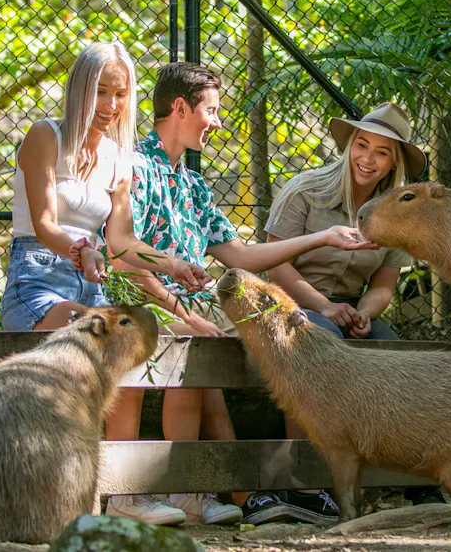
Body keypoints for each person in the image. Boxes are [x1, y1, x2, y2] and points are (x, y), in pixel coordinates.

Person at [103, 62, 378, 526]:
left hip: (200, 299)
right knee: (196, 344)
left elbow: (240, 256)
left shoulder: (190, 181)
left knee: (298, 331)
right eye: (211, 110)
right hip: (146, 298)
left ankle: (297, 482)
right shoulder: (133, 166)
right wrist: (186, 313)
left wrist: (322, 237)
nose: (217, 122)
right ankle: (188, 488)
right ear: (179, 107)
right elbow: (123, 261)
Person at [0, 42, 211, 526]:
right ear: (80, 90)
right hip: (37, 279)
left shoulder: (120, 158)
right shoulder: (45, 137)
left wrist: (172, 264)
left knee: (131, 340)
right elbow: (46, 223)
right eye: (100, 92)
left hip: (92, 287)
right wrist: (81, 248)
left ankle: (122, 499)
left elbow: (120, 243)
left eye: (120, 94)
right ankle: (58, 499)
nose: (111, 106)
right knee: (103, 339)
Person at [264, 102, 447, 507]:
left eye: (381, 152)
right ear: (349, 146)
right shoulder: (306, 190)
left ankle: (420, 482)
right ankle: (304, 485)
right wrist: (325, 307)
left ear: (393, 162)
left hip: (350, 309)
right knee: (316, 343)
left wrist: (365, 313)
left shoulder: (400, 212)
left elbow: (384, 284)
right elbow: (275, 268)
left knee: (401, 356)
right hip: (289, 304)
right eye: (362, 145)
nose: (368, 158)